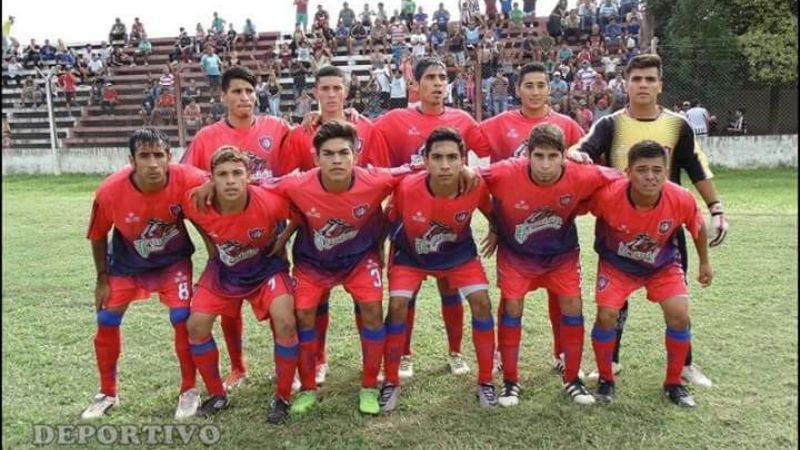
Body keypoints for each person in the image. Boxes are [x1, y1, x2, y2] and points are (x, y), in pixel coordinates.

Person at [571, 54, 728, 387]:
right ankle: (609, 363)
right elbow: (584, 148)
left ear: (660, 85)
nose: (643, 85)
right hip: (619, 227)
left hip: (666, 227)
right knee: (614, 303)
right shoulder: (609, 124)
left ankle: (685, 365)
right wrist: (576, 154)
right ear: (626, 84)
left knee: (678, 304)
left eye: (649, 79)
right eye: (636, 79)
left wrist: (716, 207)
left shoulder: (677, 124)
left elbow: (696, 166)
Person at [265, 121, 410, 416]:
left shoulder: (376, 180)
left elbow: (413, 171)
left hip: (360, 259)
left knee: (371, 310)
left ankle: (370, 384)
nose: (337, 160)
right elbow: (256, 185)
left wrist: (468, 171)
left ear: (356, 153)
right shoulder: (296, 184)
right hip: (313, 262)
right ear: (315, 158)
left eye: (344, 152)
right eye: (328, 154)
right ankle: (307, 387)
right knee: (303, 314)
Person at [480, 123, 622, 407]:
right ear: (528, 156)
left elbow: (620, 179)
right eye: (539, 156)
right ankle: (510, 381)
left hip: (562, 257)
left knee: (572, 307)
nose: (545, 165)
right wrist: (495, 223)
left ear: (563, 156)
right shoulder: (506, 171)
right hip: (517, 257)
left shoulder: (581, 173)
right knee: (512, 308)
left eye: (553, 156)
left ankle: (572, 378)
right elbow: (469, 178)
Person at [372, 57, 493, 379]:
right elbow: (359, 134)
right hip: (405, 216)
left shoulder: (463, 119)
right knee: (403, 296)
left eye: (443, 77)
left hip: (449, 219)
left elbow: (489, 157)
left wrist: (471, 167)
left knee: (450, 289)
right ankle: (406, 355)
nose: (439, 83)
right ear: (416, 84)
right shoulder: (395, 119)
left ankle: (455, 351)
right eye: (431, 78)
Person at [81, 128, 207, 420]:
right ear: (131, 160)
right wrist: (102, 278)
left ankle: (189, 389)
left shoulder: (187, 178)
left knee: (181, 319)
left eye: (159, 155)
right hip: (126, 265)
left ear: (169, 157)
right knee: (107, 320)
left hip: (173, 262)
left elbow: (223, 182)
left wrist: (215, 259)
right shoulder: (109, 192)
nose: (152, 163)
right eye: (144, 156)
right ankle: (107, 392)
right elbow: (98, 235)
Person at [181, 66, 292, 391]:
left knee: (281, 306)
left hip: (268, 229)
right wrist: (204, 184)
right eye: (237, 91)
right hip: (226, 233)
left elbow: (301, 157)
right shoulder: (206, 137)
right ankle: (238, 368)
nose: (244, 97)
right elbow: (188, 179)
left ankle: (286, 368)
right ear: (223, 96)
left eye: (249, 91)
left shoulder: (277, 127)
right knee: (229, 304)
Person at [479, 63, 588, 376]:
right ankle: (501, 355)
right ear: (518, 90)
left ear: (549, 89)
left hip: (554, 227)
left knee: (562, 295)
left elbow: (586, 162)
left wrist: (578, 154)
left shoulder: (567, 126)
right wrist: (494, 221)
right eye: (529, 85)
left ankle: (563, 354)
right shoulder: (498, 124)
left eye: (542, 85)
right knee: (511, 297)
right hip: (513, 227)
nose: (536, 91)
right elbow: (471, 155)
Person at [379, 128, 498, 412]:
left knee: (482, 302)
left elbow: (492, 211)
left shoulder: (475, 185)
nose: (445, 165)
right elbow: (388, 219)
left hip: (458, 254)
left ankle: (486, 381)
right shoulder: (407, 187)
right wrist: (378, 249)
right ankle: (391, 381)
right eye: (437, 157)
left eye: (452, 158)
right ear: (425, 159)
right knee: (397, 305)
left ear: (463, 160)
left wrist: (495, 229)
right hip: (411, 255)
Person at [588, 140, 713, 407]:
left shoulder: (680, 197)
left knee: (679, 314)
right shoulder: (608, 196)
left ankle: (674, 383)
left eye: (657, 170)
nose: (650, 176)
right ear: (628, 171)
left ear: (666, 172)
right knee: (606, 315)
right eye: (642, 169)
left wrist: (704, 262)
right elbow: (578, 206)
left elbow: (698, 226)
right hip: (617, 265)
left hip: (662, 265)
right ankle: (606, 379)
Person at [181, 147, 298, 423]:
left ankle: (282, 396)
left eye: (237, 173)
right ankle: (217, 394)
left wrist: (282, 241)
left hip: (266, 267)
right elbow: (191, 217)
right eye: (222, 175)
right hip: (224, 270)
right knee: (196, 325)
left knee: (285, 321)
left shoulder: (268, 200)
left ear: (249, 177)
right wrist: (210, 245)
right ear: (211, 179)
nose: (230, 180)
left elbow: (300, 213)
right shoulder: (197, 201)